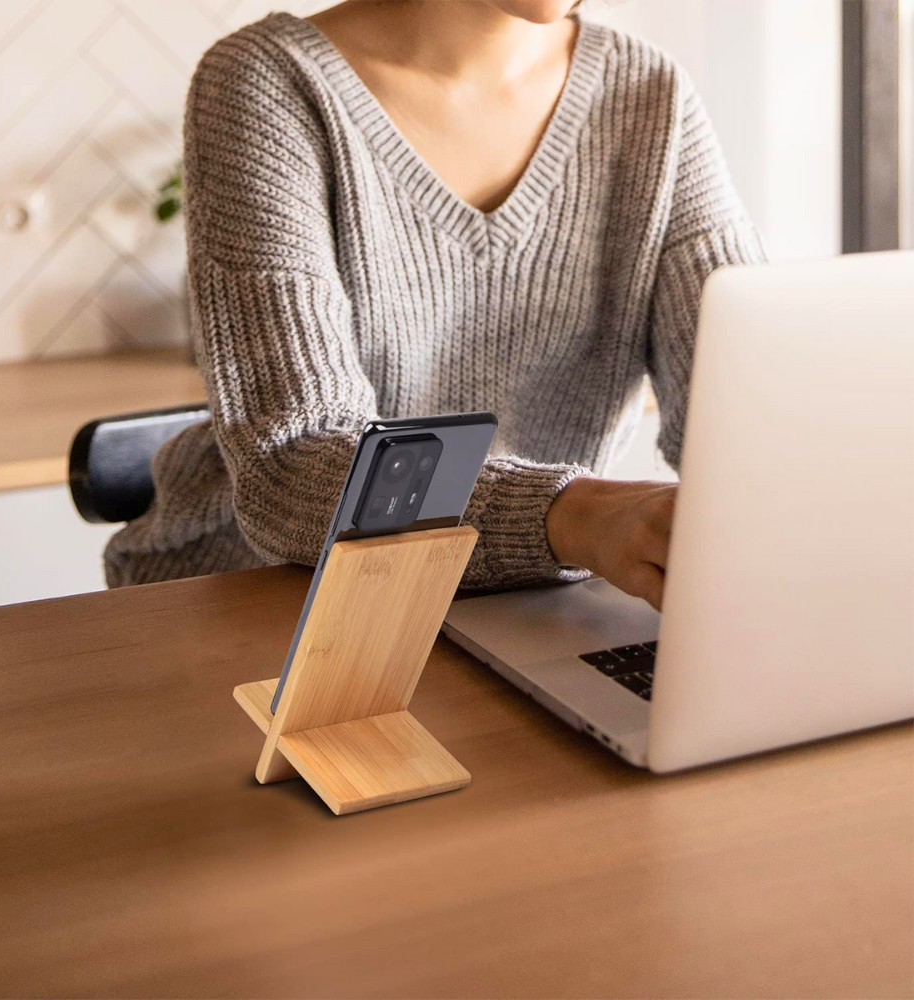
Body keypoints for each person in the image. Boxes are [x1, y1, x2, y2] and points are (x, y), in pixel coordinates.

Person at [104, 0, 764, 610]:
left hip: (519, 604)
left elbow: (753, 405)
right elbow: (293, 465)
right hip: (262, 603)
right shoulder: (267, 82)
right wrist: (573, 514)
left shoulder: (652, 96)